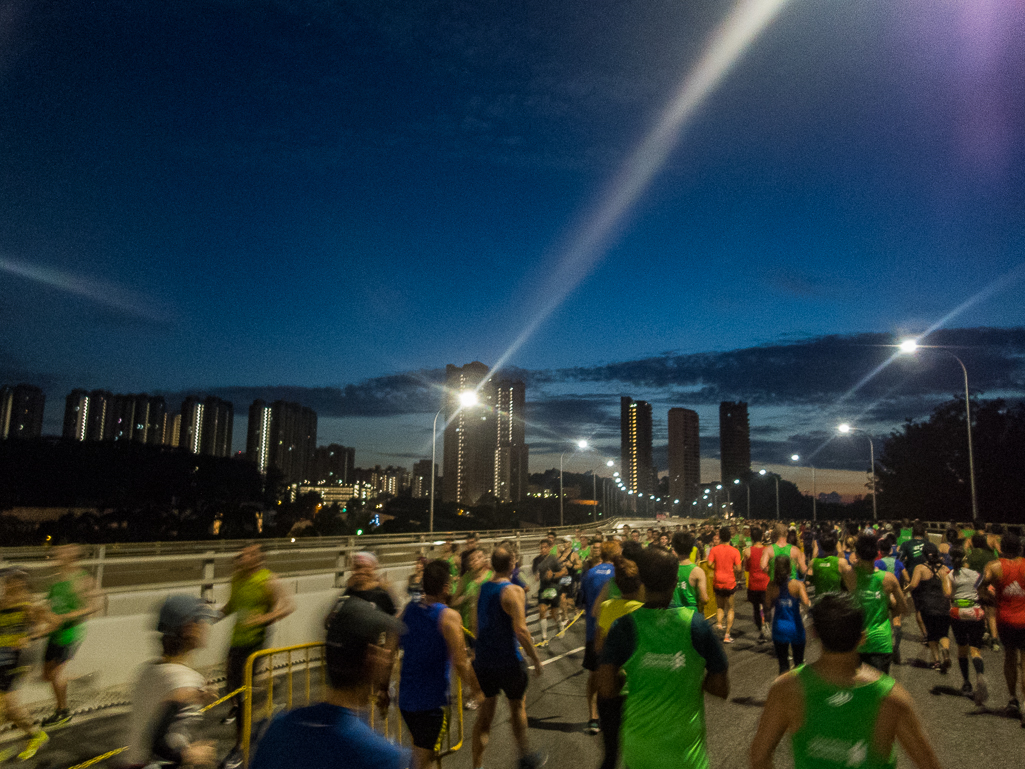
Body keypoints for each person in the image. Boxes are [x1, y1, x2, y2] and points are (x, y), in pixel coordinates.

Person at [749, 593, 943, 769]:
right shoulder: (891, 696)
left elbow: (759, 758)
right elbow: (928, 764)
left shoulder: (787, 687)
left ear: (815, 633)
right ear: (862, 638)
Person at [597, 546, 729, 769]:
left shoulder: (625, 626)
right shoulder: (696, 625)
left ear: (642, 580)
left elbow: (607, 688)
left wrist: (635, 676)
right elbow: (721, 688)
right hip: (687, 755)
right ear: (676, 580)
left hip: (639, 751)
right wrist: (688, 677)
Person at [251, 595, 407, 769]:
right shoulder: (381, 757)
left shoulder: (278, 729)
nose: (387, 655)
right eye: (381, 644)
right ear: (371, 657)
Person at [399, 560, 483, 769]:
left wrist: (383, 686)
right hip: (432, 704)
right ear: (445, 588)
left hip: (406, 701)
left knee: (425, 752)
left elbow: (390, 643)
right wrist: (477, 691)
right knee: (421, 760)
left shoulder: (408, 610)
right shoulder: (449, 617)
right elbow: (461, 663)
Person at [123, 595, 217, 769]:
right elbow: (157, 741)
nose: (207, 626)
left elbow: (157, 707)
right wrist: (189, 754)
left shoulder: (146, 671)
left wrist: (194, 696)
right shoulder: (187, 680)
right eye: (204, 621)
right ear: (190, 628)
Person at [471, 547, 545, 769]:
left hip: (484, 662)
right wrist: (535, 658)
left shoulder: (481, 588)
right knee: (517, 708)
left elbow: (476, 624)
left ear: (492, 565)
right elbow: (521, 631)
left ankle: (477, 765)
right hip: (509, 662)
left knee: (485, 717)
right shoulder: (513, 591)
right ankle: (524, 756)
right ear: (512, 564)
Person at [218, 544, 294, 739]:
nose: (242, 557)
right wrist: (208, 617)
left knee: (244, 689)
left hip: (256, 641)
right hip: (236, 638)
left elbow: (288, 606)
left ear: (259, 559)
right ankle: (252, 709)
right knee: (231, 685)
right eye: (242, 554)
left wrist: (264, 618)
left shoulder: (269, 580)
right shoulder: (236, 579)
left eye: (248, 554)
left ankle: (242, 741)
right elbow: (231, 607)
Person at [41, 543, 101, 728]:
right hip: (55, 631)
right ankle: (77, 679)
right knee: (46, 674)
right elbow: (49, 606)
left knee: (56, 673)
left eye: (63, 551)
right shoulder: (56, 580)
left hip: (70, 633)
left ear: (73, 556)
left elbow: (94, 606)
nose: (57, 553)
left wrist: (66, 617)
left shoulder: (82, 578)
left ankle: (62, 711)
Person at [594, 555, 644, 769]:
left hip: (610, 685)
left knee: (610, 754)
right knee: (639, 751)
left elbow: (598, 647)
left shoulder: (607, 607)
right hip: (638, 689)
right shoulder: (644, 609)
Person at [0, 568, 52, 761]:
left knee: (10, 707)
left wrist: (30, 637)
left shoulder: (29, 604)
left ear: (21, 583)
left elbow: (53, 622)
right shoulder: (3, 602)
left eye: (10, 581)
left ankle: (36, 735)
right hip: (1, 658)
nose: (6, 584)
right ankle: (35, 734)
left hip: (16, 661)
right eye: (6, 582)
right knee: (9, 710)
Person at [841, 531, 908, 674]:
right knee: (878, 692)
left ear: (858, 554)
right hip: (880, 643)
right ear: (876, 553)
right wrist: (891, 603)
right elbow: (904, 608)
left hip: (856, 642)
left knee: (857, 691)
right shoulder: (888, 579)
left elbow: (849, 565)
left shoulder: (849, 575)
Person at [977, 530, 1025, 724]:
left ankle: (1013, 699)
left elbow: (978, 585)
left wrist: (991, 598)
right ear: (1020, 548)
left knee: (1010, 657)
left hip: (1005, 618)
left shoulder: (994, 566)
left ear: (1002, 549)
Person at [580, 541, 620, 735]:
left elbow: (582, 601)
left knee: (594, 676)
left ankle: (593, 717)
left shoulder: (590, 574)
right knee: (617, 674)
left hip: (593, 631)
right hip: (616, 632)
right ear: (615, 555)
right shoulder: (619, 573)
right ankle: (613, 715)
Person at [946, 545, 988, 703]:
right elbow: (983, 591)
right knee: (975, 649)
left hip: (958, 613)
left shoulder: (950, 575)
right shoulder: (976, 574)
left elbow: (947, 593)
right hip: (975, 612)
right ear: (964, 559)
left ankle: (966, 683)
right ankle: (980, 675)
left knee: (962, 649)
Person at [908, 547, 951, 672]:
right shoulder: (945, 569)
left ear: (925, 556)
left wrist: (903, 591)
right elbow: (948, 591)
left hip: (927, 606)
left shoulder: (920, 568)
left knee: (932, 635)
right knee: (944, 633)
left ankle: (936, 661)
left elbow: (913, 584)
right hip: (943, 606)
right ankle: (945, 650)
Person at [767, 555, 810, 675]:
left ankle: (784, 690)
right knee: (799, 663)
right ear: (789, 568)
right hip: (795, 627)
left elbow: (767, 606)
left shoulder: (771, 586)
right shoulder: (797, 585)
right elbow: (806, 602)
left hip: (779, 627)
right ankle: (798, 691)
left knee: (783, 664)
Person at [708, 526, 743, 643]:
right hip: (729, 582)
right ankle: (727, 635)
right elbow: (739, 569)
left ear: (720, 537)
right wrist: (732, 568)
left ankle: (719, 624)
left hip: (717, 581)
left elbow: (709, 564)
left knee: (720, 607)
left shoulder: (714, 549)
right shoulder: (735, 551)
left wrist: (717, 567)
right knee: (731, 609)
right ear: (730, 537)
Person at [451, 547, 492, 641]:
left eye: (478, 557)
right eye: (472, 559)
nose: (475, 561)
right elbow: (453, 603)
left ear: (484, 559)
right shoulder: (465, 579)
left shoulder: (491, 576)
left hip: (486, 627)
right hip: (468, 628)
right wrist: (466, 597)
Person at [532, 539, 564, 644]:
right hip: (543, 589)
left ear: (550, 548)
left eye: (545, 547)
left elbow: (563, 572)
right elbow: (535, 572)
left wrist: (554, 575)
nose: (543, 549)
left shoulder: (554, 559)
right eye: (541, 547)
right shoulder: (536, 560)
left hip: (553, 588)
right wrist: (536, 575)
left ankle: (559, 623)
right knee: (542, 610)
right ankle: (544, 638)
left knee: (554, 614)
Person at [345, 551, 398, 615]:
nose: (361, 571)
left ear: (374, 569)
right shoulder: (349, 593)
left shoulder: (381, 594)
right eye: (358, 567)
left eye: (366, 568)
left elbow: (391, 618)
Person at [745, 526, 771, 643]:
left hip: (753, 584)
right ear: (762, 536)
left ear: (751, 537)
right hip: (766, 584)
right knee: (767, 608)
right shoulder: (768, 550)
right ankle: (768, 627)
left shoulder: (747, 551)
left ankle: (761, 630)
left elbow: (746, 568)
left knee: (756, 609)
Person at [671, 532, 708, 615]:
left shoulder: (670, 569)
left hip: (674, 613)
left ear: (675, 549)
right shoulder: (698, 571)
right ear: (691, 549)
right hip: (691, 614)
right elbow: (704, 599)